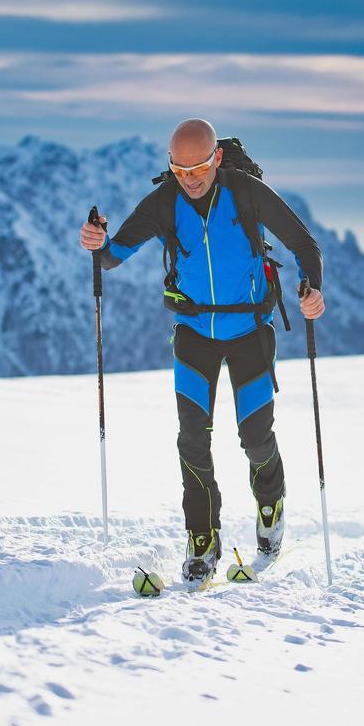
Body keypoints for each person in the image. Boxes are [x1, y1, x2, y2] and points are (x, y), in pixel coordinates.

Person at [79, 118, 325, 583]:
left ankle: (270, 505)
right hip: (193, 332)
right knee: (192, 439)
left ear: (215, 159)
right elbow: (113, 256)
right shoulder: (165, 202)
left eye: (198, 169)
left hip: (251, 329)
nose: (189, 180)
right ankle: (202, 541)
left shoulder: (247, 192)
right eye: (179, 170)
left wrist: (311, 288)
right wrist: (97, 243)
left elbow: (302, 243)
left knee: (255, 437)